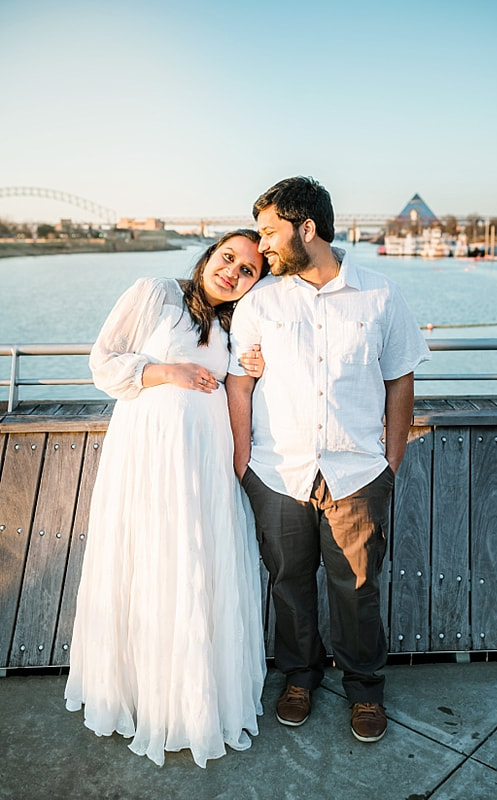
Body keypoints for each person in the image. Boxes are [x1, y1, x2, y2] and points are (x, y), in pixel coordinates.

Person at [226, 176, 430, 743]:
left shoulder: (382, 295)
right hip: (276, 472)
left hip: (358, 473)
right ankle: (299, 677)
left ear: (306, 228)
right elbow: (239, 383)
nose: (262, 246)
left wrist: (389, 462)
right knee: (288, 582)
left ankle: (365, 689)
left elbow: (400, 383)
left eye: (269, 233)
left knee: (357, 588)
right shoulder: (259, 302)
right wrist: (245, 464)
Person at [64, 230, 269, 768]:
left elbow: (241, 388)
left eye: (248, 270)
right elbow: (103, 362)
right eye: (229, 258)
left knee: (197, 571)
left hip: (205, 469)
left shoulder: (233, 325)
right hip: (150, 462)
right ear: (210, 255)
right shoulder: (156, 293)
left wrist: (255, 366)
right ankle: (143, 695)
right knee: (152, 566)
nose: (233, 272)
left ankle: (194, 698)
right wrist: (165, 372)